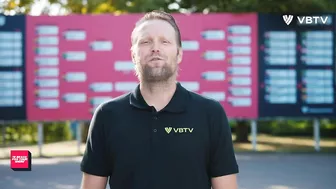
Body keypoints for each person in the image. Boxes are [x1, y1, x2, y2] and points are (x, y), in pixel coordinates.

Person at [80, 10, 239, 189]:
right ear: (133, 55)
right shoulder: (107, 115)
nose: (155, 48)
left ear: (179, 54)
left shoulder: (210, 113)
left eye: (165, 41)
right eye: (146, 42)